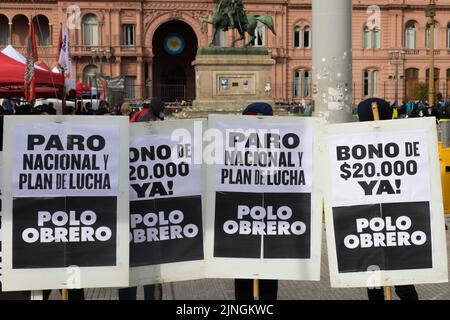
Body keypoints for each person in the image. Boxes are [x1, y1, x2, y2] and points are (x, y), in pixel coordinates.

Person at [357, 97, 419, 301]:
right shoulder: (403, 140)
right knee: (398, 282)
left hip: (369, 227)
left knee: (379, 282)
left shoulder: (351, 144)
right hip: (399, 227)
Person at [118, 97, 166, 300]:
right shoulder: (149, 126)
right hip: (145, 213)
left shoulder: (132, 122)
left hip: (134, 213)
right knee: (148, 271)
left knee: (130, 270)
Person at [234, 102, 278, 301]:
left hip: (269, 227)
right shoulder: (233, 149)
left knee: (267, 279)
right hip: (242, 227)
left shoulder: (280, 149)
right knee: (244, 279)